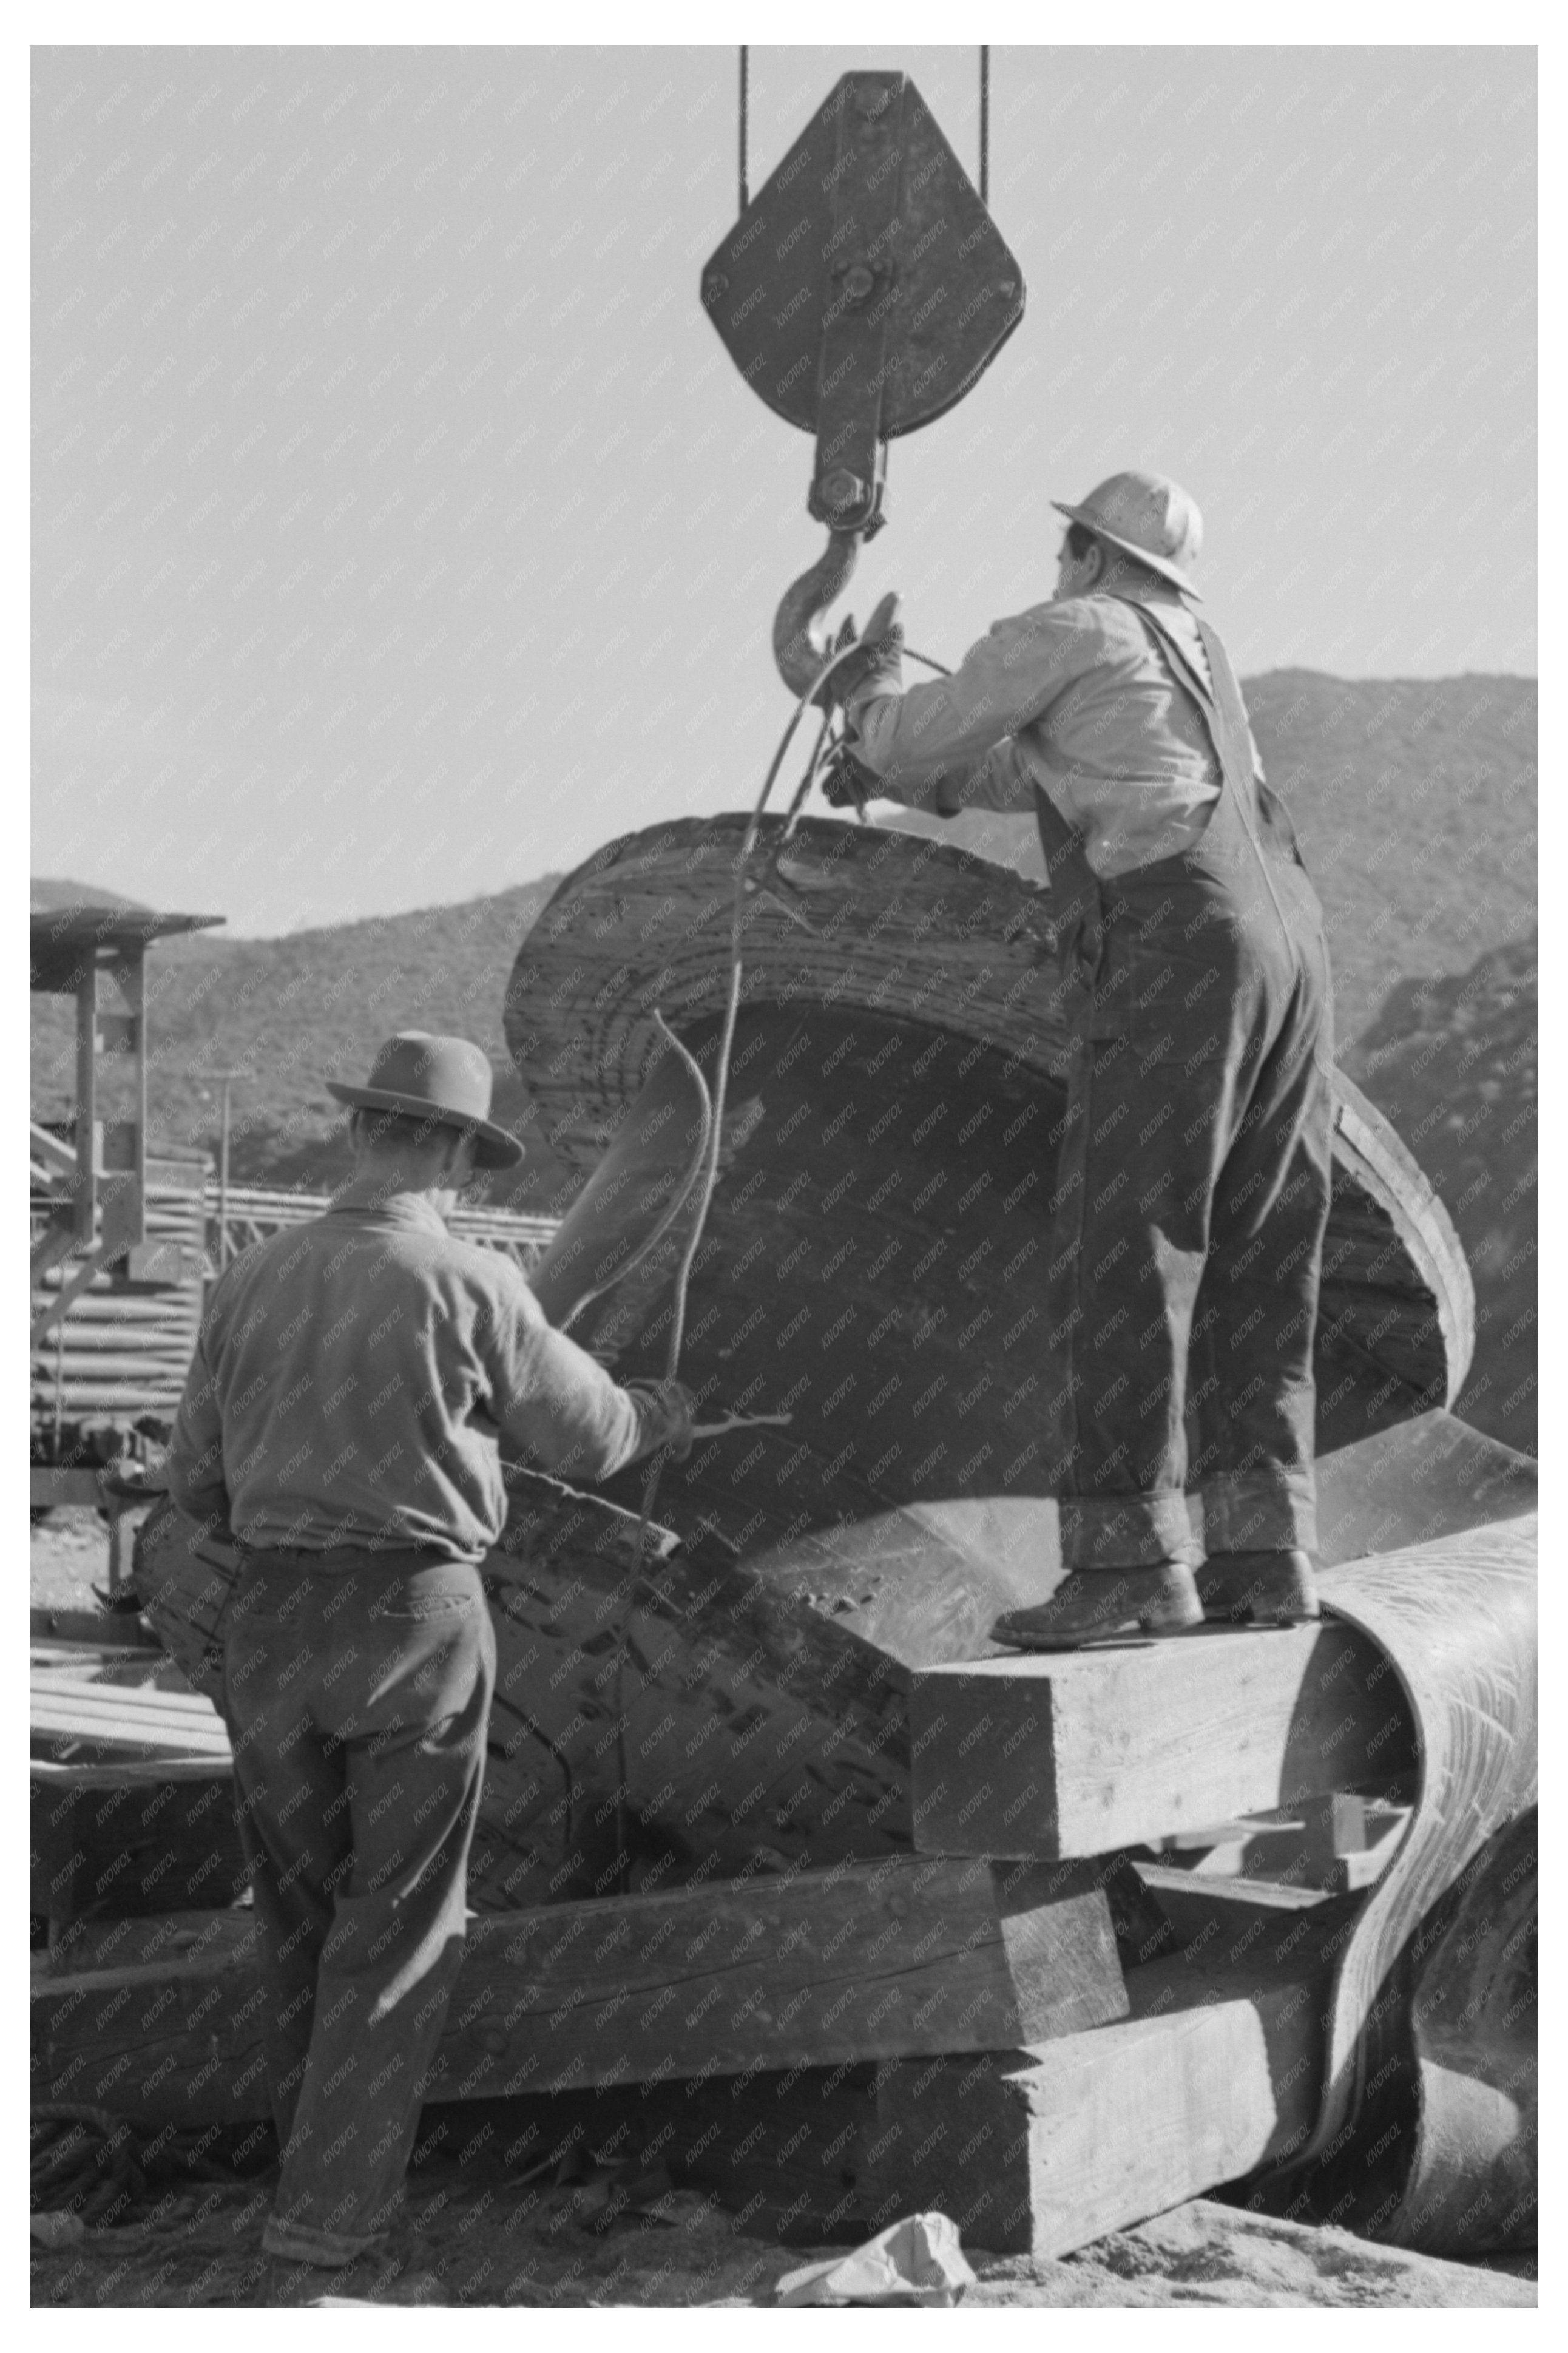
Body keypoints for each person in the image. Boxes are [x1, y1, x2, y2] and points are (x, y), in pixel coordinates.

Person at [166, 1030, 693, 2286]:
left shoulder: (247, 1280)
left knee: (295, 1911)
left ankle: (298, 2185)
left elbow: (195, 1478)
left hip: (270, 1621)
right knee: (398, 1924)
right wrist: (665, 1405)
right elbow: (593, 1438)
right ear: (456, 1152)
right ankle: (332, 2222)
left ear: (360, 1133)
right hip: (413, 1623)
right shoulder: (473, 1284)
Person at [826, 471, 1334, 1647]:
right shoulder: (1190, 657)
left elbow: (925, 730)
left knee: (1124, 1243)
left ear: (1087, 551)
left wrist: (864, 702)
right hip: (1287, 950)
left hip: (1175, 946)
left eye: (1064, 545)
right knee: (1259, 1246)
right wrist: (900, 769)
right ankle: (1265, 1556)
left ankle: (1127, 1567)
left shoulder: (1067, 629)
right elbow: (1002, 770)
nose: (1054, 562)